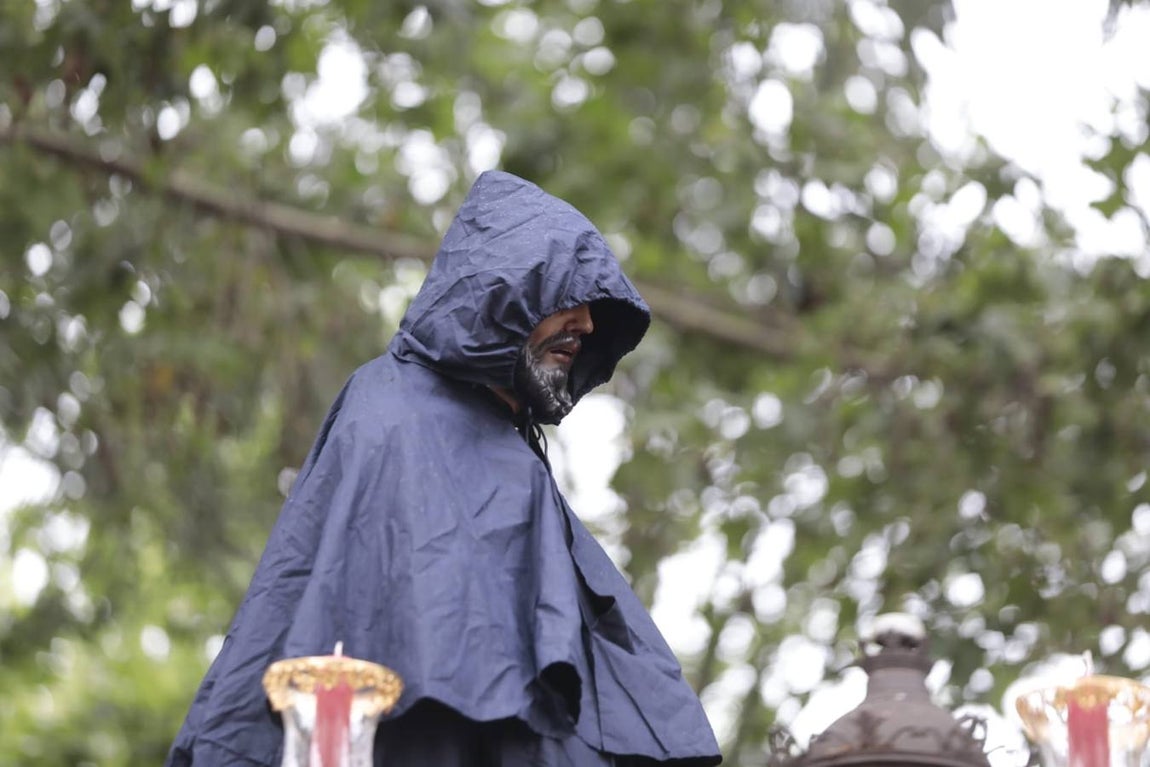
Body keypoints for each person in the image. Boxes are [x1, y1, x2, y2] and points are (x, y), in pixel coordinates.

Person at [166, 171, 722, 766]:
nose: (586, 325)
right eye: (567, 296)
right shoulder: (394, 410)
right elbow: (333, 621)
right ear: (504, 290)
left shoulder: (518, 455)